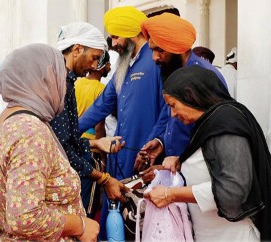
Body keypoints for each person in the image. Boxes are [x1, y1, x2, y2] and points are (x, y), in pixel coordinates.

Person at [0, 43, 99, 241]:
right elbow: (25, 217)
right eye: (58, 77)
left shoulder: (10, 119)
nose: (62, 85)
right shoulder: (29, 131)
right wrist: (80, 225)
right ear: (43, 80)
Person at [145, 65, 271, 241]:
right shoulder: (210, 123)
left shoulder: (226, 125)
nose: (172, 114)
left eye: (173, 105)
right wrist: (182, 161)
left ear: (191, 97)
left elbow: (232, 191)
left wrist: (170, 194)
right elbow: (212, 161)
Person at [77, 7, 165, 238]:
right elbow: (102, 105)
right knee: (116, 215)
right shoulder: (124, 65)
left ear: (129, 32)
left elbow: (167, 110)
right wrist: (70, 131)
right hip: (120, 156)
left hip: (144, 159)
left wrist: (154, 143)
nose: (113, 43)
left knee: (139, 220)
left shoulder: (154, 61)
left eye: (116, 36)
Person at [135, 13, 229, 178]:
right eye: (152, 50)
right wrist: (160, 141)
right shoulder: (173, 72)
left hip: (200, 173)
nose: (154, 57)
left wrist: (181, 160)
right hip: (177, 170)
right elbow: (168, 117)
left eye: (160, 50)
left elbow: (218, 132)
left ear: (176, 47)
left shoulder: (204, 76)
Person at [52, 21, 127, 219]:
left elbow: (65, 140)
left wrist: (96, 143)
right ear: (77, 49)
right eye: (94, 58)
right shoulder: (59, 83)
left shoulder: (67, 81)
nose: (95, 66)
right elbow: (61, 148)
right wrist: (103, 178)